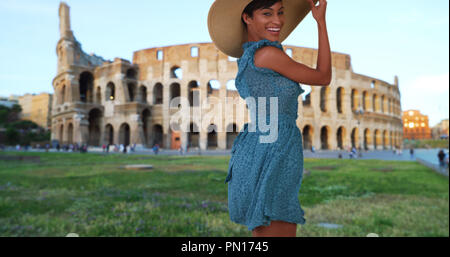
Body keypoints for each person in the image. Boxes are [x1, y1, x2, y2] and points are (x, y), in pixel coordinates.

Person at [208, 0, 331, 237]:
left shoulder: (248, 56)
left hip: (262, 144)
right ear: (247, 18)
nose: (277, 21)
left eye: (280, 12)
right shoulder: (267, 54)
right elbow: (323, 76)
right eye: (267, 13)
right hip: (274, 148)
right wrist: (321, 23)